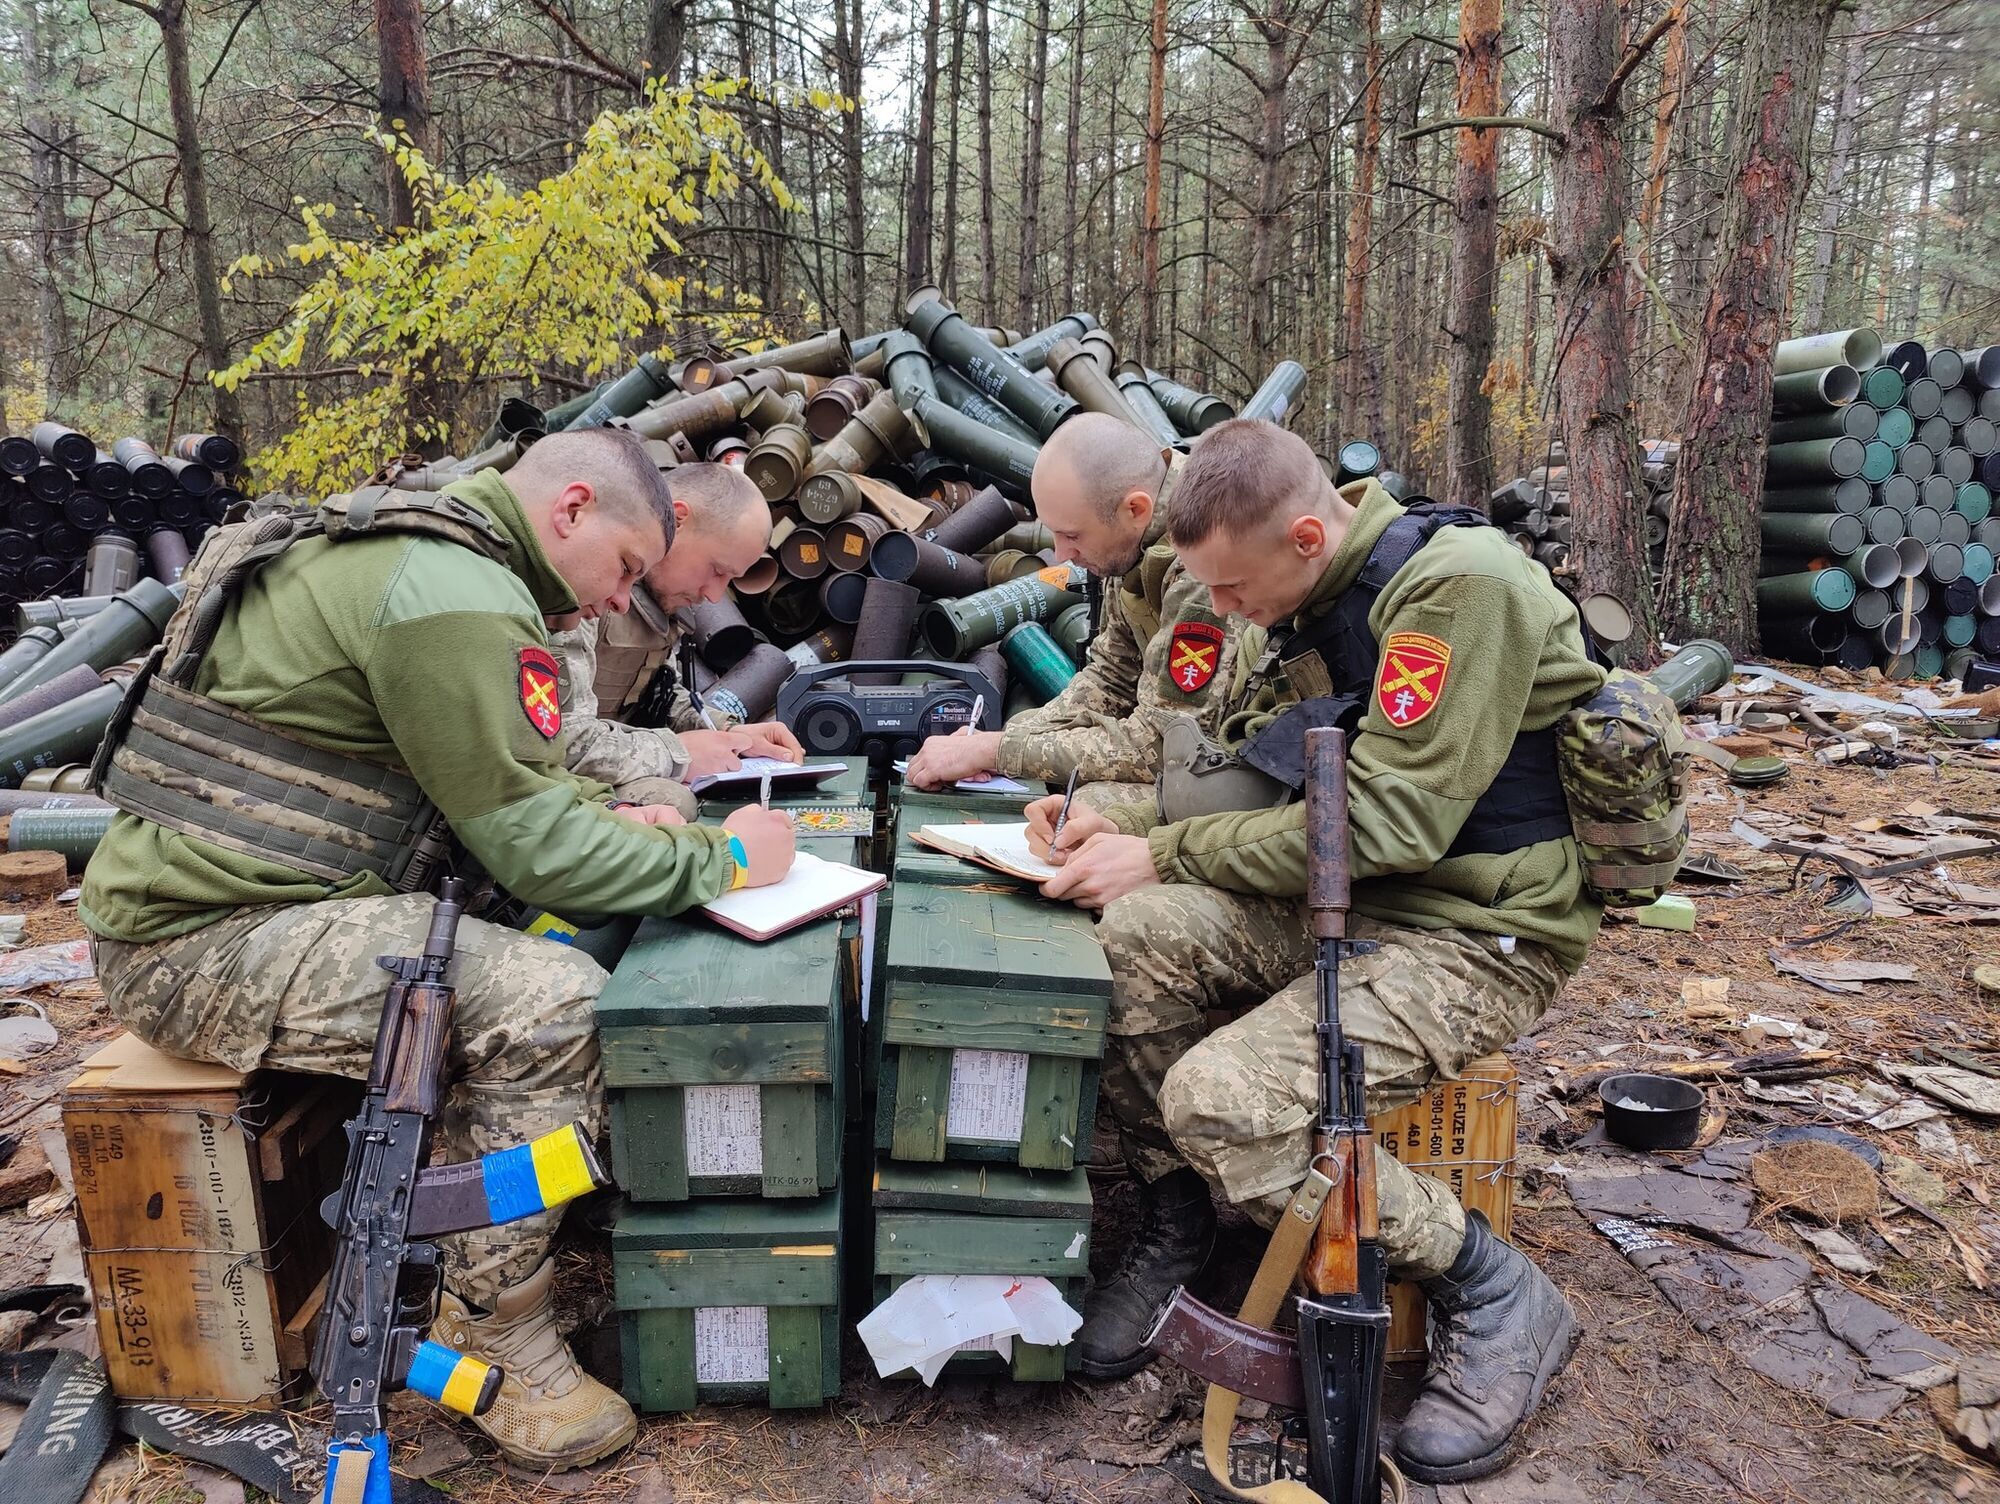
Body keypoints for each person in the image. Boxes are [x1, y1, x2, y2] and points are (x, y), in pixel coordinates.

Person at [80, 429, 797, 1472]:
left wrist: (649, 820)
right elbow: (537, 845)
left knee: (604, 871)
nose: (615, 601)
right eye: (625, 569)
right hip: (203, 941)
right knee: (550, 1002)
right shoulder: (453, 592)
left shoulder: (439, 556)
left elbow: (527, 785)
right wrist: (722, 862)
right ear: (570, 509)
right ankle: (490, 1326)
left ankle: (535, 1198)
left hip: (267, 901)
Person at [1024, 419, 1604, 1483]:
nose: (1223, 613)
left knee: (1222, 1100)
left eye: (1234, 593)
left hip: (1476, 926)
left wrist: (1159, 849)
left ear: (1302, 534)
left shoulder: (1455, 589)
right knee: (1129, 940)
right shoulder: (1301, 591)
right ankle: (1181, 1213)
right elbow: (1239, 766)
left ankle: (1494, 1288)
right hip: (1357, 893)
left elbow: (1387, 826)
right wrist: (1101, 818)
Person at [904, 411, 1244, 810]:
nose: (1062, 555)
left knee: (1091, 806)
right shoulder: (1132, 538)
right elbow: (1110, 680)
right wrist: (1002, 739)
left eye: (1072, 535)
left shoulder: (1200, 562)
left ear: (1135, 509)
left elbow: (1164, 745)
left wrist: (1000, 753)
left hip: (1237, 765)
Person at [551, 462, 802, 817]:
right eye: (717, 570)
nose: (715, 596)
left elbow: (661, 695)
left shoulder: (658, 604)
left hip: (601, 760)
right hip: (555, 782)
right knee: (670, 802)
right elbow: (564, 743)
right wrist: (679, 752)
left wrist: (733, 736)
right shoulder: (591, 588)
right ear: (678, 520)